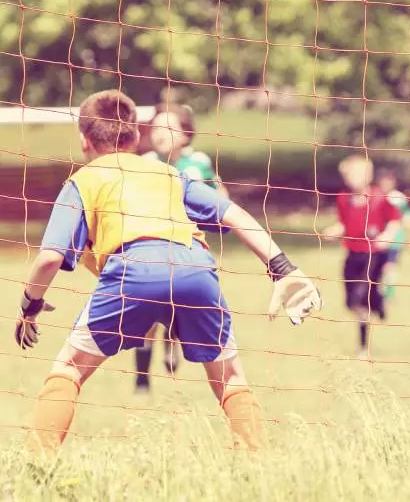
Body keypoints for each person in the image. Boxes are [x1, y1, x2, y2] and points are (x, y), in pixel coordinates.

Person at [16, 89, 322, 455]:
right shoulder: (168, 174)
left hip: (132, 272)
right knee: (230, 378)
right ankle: (258, 464)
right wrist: (283, 268)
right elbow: (234, 214)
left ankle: (35, 465)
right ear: (135, 134)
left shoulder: (81, 181)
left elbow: (49, 257)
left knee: (68, 369)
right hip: (194, 269)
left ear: (84, 140)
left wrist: (29, 304)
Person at [134, 102, 229, 393]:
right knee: (147, 317)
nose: (160, 133)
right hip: (151, 248)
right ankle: (142, 379)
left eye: (168, 127)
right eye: (156, 127)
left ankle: (173, 348)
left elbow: (219, 197)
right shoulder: (144, 163)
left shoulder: (196, 163)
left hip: (187, 250)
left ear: (186, 134)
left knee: (176, 311)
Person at [324, 155, 401, 359]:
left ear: (368, 176)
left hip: (373, 254)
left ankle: (363, 347)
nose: (350, 179)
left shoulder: (379, 198)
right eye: (347, 175)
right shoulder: (343, 198)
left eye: (355, 174)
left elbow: (395, 221)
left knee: (361, 298)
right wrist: (334, 230)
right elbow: (343, 223)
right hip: (352, 253)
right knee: (350, 301)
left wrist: (387, 236)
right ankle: (379, 300)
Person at [377, 169, 410, 299]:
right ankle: (378, 291)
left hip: (395, 238)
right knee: (378, 265)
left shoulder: (398, 198)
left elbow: (408, 218)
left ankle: (389, 293)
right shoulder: (375, 196)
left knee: (389, 265)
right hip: (378, 238)